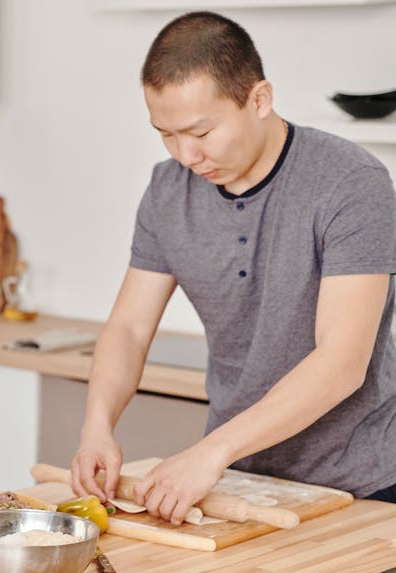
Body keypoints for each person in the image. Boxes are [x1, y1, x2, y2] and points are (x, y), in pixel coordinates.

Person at [70, 11, 396, 525]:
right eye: (166, 134)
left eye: (201, 131)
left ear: (260, 99)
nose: (186, 155)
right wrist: (96, 427)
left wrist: (209, 453)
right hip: (239, 480)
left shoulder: (352, 183)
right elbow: (130, 328)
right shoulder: (166, 192)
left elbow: (342, 362)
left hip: (360, 486)